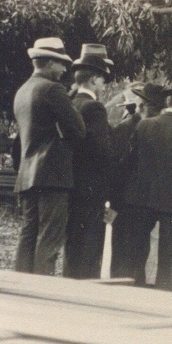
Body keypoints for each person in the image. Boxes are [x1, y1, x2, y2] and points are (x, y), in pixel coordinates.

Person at [14, 37, 86, 275]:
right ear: (49, 63)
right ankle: (42, 296)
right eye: (61, 64)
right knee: (49, 239)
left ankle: (19, 292)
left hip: (27, 176)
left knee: (28, 236)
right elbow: (78, 131)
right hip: (52, 176)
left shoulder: (23, 90)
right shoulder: (53, 89)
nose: (65, 69)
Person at [122, 78, 172, 290]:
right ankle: (163, 298)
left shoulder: (144, 124)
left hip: (141, 199)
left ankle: (134, 295)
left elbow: (130, 162)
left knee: (137, 255)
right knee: (166, 258)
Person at [64, 46, 113, 279]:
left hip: (68, 185)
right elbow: (101, 152)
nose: (103, 86)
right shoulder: (94, 108)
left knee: (71, 251)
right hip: (90, 191)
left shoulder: (68, 103)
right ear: (94, 80)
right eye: (102, 80)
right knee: (88, 254)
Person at [109, 82, 163, 280]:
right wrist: (114, 203)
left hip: (143, 204)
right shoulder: (128, 128)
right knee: (126, 258)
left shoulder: (148, 128)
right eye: (154, 108)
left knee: (138, 256)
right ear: (142, 106)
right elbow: (118, 169)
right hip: (127, 204)